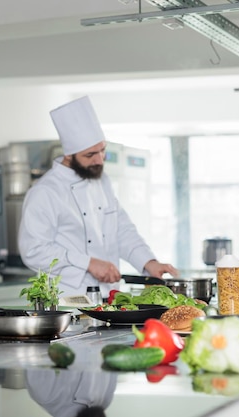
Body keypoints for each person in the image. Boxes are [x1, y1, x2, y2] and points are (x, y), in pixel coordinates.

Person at [18, 96, 178, 298]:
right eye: (90, 155)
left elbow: (122, 230)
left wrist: (148, 262)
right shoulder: (45, 192)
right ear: (69, 154)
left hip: (109, 297)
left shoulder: (101, 182)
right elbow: (34, 250)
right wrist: (88, 263)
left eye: (102, 151)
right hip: (67, 301)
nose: (99, 160)